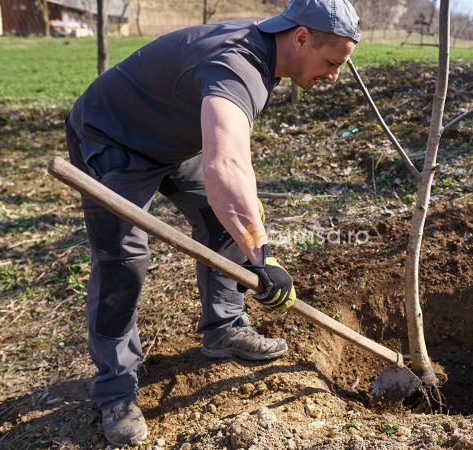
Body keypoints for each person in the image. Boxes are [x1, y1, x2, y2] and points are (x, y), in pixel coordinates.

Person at [64, 0, 360, 446]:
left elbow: (233, 155)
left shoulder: (265, 55)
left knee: (225, 224)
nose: (335, 75)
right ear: (301, 38)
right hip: (112, 138)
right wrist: (263, 257)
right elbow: (226, 166)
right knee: (123, 261)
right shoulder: (236, 64)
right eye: (332, 62)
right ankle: (115, 389)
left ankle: (223, 328)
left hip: (171, 142)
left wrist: (251, 237)